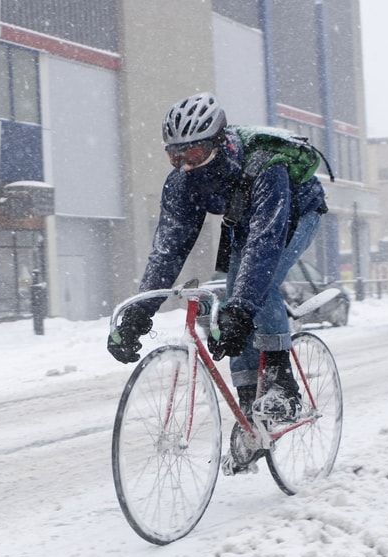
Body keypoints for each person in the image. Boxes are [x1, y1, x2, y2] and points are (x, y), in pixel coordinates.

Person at [106, 92, 328, 471]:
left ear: (220, 143)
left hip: (295, 211)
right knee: (231, 301)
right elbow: (167, 252)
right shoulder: (181, 185)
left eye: (193, 155)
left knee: (260, 284)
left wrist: (242, 311)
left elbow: (264, 246)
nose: (186, 166)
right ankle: (250, 416)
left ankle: (282, 386)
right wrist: (138, 314)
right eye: (175, 157)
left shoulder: (264, 167)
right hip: (246, 217)